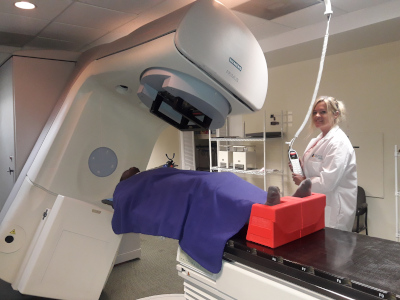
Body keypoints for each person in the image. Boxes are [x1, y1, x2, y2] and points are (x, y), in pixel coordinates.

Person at [290, 96, 357, 231]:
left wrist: (303, 181)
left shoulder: (338, 143)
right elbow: (315, 170)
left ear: (335, 114)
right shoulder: (317, 140)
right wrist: (301, 168)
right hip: (319, 203)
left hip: (334, 208)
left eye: (323, 112)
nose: (317, 116)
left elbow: (328, 182)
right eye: (314, 112)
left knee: (333, 249)